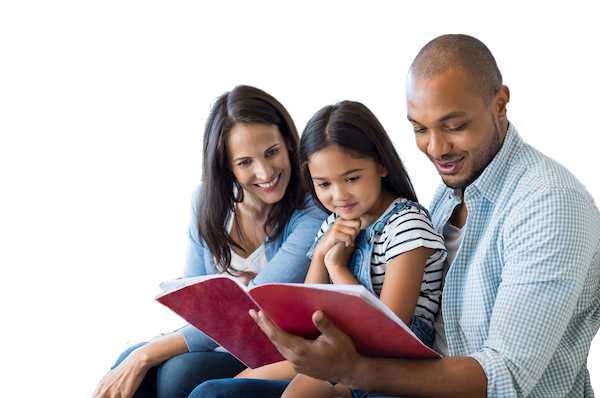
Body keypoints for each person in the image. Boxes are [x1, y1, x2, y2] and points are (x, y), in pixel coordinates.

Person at [191, 34, 600, 397]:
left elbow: (505, 377)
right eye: (419, 128)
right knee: (203, 386)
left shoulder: (549, 203)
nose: (436, 148)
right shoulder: (451, 189)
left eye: (454, 125)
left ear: (500, 103)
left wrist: (354, 370)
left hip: (426, 379)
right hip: (394, 368)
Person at [92, 84, 328, 398]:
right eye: (245, 162)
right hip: (218, 343)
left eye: (272, 152)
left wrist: (148, 352)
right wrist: (144, 353)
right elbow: (195, 298)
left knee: (172, 373)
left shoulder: (311, 210)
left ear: (288, 141)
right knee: (128, 360)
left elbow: (249, 316)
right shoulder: (206, 200)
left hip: (276, 352)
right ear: (226, 165)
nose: (265, 171)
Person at [225, 100, 446, 398]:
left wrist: (337, 267)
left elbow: (386, 330)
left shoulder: (407, 227)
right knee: (230, 384)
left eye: (352, 178)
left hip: (390, 361)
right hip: (339, 344)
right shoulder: (334, 223)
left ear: (381, 164)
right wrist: (320, 255)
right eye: (324, 184)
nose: (339, 195)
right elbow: (308, 316)